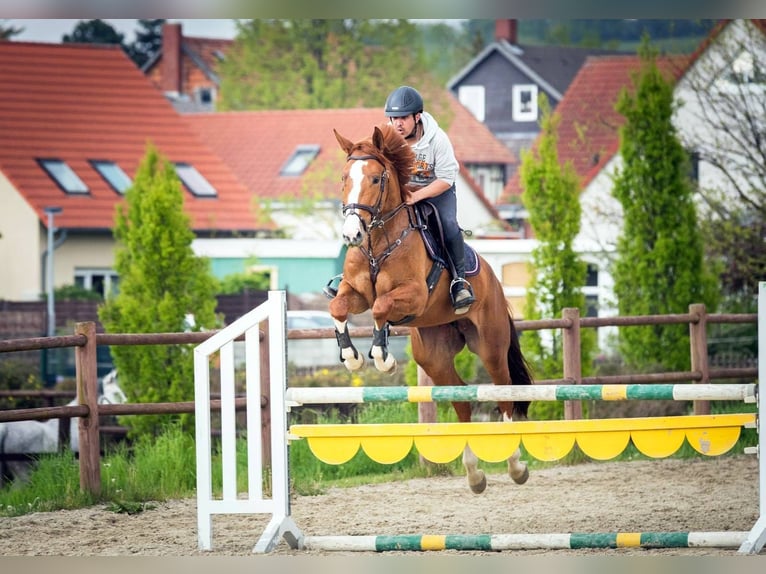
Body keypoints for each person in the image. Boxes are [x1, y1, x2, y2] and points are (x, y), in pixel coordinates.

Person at [384, 85, 475, 314]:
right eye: (393, 118)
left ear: (417, 117)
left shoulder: (438, 140)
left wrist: (417, 196)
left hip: (437, 190)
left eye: (403, 118)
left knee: (448, 225)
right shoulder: (387, 138)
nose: (398, 124)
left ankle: (458, 282)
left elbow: (446, 178)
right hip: (404, 192)